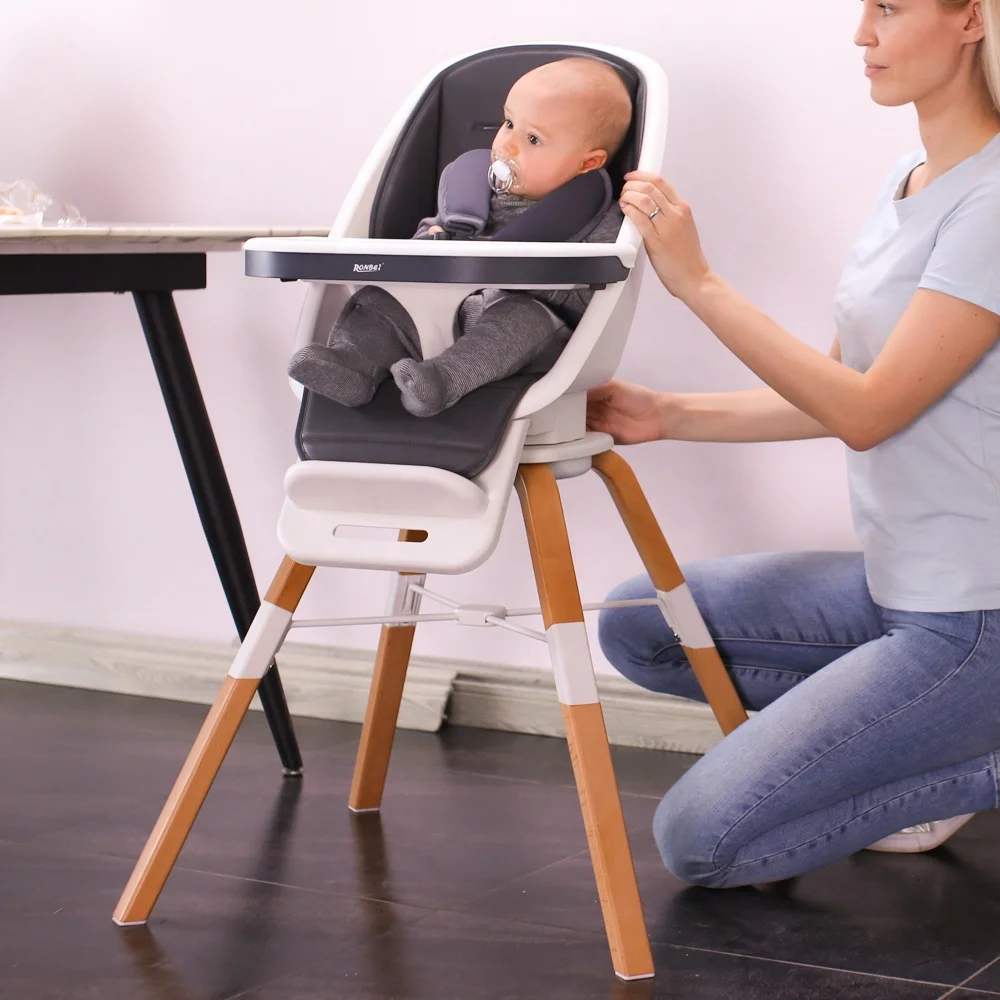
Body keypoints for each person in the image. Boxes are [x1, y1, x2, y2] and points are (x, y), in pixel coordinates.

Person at [592, 0, 1000, 887]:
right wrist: (667, 413)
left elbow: (867, 414)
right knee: (639, 625)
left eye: (888, 8)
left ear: (971, 19)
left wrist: (697, 282)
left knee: (702, 842)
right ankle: (930, 742)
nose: (862, 34)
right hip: (896, 586)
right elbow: (838, 390)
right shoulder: (913, 179)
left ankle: (957, 739)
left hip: (979, 615)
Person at [287, 57, 631, 417]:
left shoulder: (593, 219)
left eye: (533, 139)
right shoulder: (468, 191)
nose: (508, 145)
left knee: (519, 321)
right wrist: (429, 241)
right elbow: (430, 230)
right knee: (381, 300)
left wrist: (520, 273)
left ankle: (442, 381)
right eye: (509, 123)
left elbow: (592, 294)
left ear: (587, 164)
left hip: (530, 328)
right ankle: (352, 364)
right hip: (445, 312)